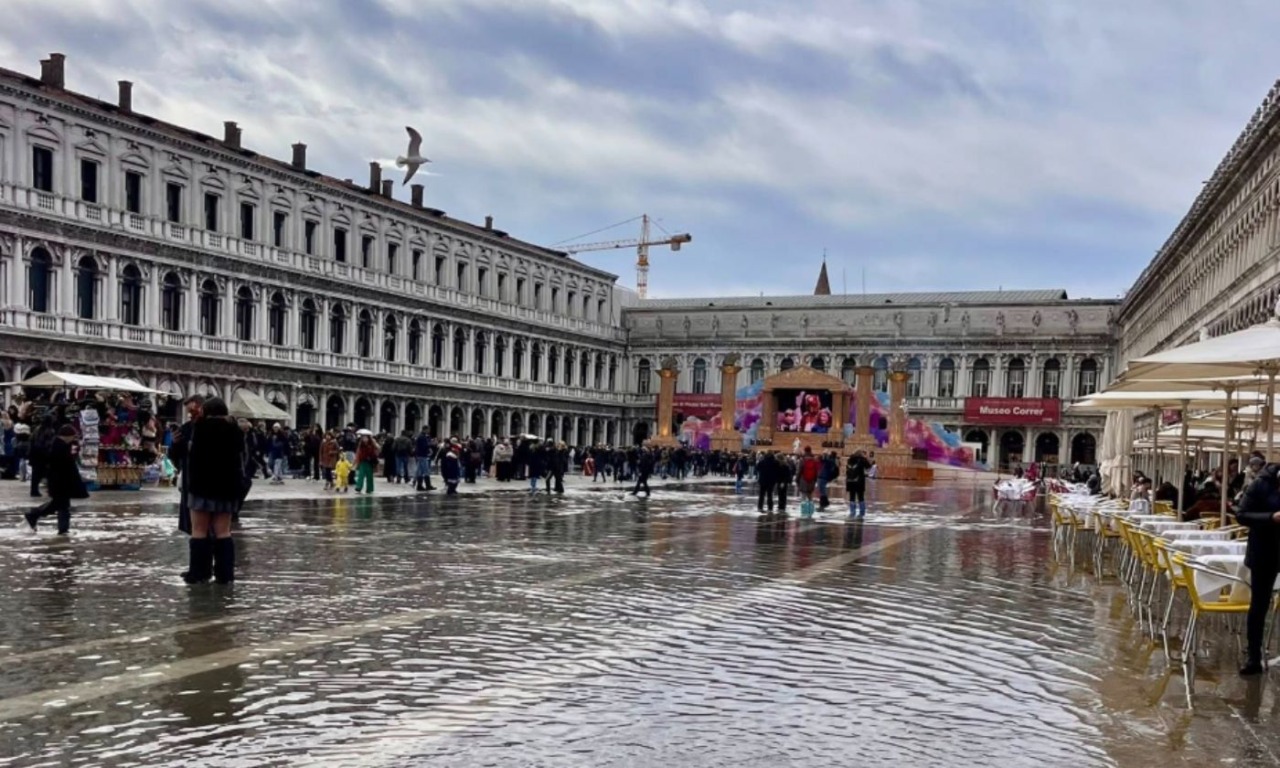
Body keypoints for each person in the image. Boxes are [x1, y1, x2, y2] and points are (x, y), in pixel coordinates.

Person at [182, 397, 246, 584]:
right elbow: (240, 459)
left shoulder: (200, 428)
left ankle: (199, 574)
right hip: (226, 488)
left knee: (199, 530)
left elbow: (193, 458)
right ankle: (225, 575)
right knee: (223, 532)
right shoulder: (235, 431)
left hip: (202, 486)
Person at [1233, 461, 1280, 675]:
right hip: (1264, 552)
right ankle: (1253, 656)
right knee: (1259, 605)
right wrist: (1271, 517)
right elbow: (1241, 514)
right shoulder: (1261, 483)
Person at [24, 425, 87, 535]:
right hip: (60, 482)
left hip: (61, 481)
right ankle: (35, 515)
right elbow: (62, 465)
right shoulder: (58, 446)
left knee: (61, 505)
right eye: (72, 436)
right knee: (60, 505)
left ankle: (62, 528)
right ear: (67, 436)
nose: (73, 439)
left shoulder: (60, 445)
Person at [846, 450, 871, 518]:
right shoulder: (862, 460)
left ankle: (852, 512)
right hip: (859, 481)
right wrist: (866, 458)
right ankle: (862, 513)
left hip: (850, 481)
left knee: (852, 497)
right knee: (860, 497)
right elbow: (869, 467)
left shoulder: (849, 460)